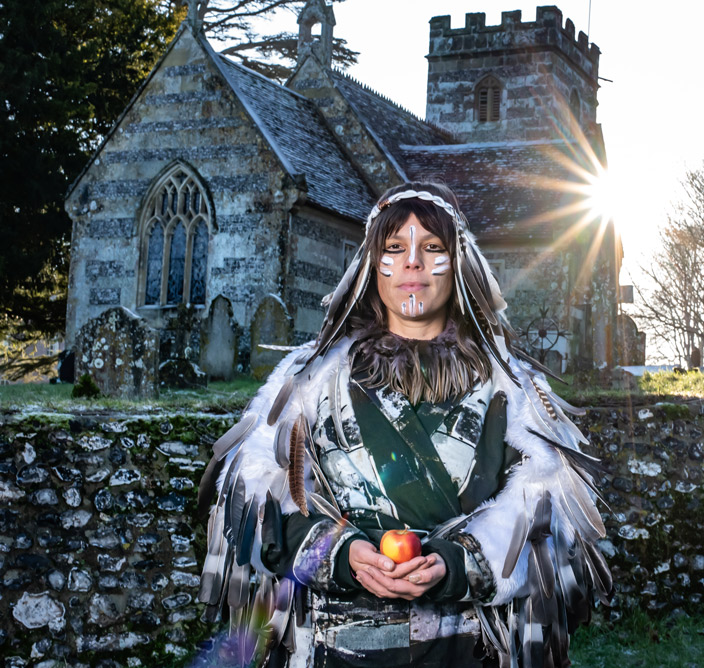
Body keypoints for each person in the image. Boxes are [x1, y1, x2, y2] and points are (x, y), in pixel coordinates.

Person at [198, 182, 611, 667]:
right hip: (334, 651)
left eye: (432, 247)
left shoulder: (518, 394)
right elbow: (260, 500)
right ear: (373, 266)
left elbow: (548, 516)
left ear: (459, 264)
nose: (412, 262)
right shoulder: (306, 384)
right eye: (394, 248)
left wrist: (455, 563)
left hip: (464, 653)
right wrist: (342, 553)